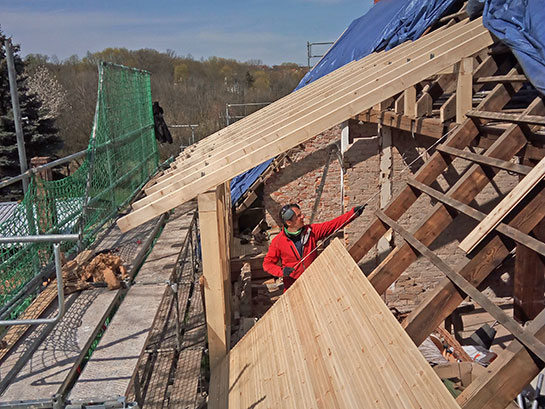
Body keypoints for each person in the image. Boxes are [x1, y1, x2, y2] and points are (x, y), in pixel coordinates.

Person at [263, 203, 365, 291]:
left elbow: (332, 225)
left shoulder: (311, 231)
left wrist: (352, 214)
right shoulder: (278, 241)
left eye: (301, 214)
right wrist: (282, 272)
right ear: (289, 222)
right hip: (293, 287)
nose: (303, 216)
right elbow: (267, 264)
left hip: (314, 282)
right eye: (298, 216)